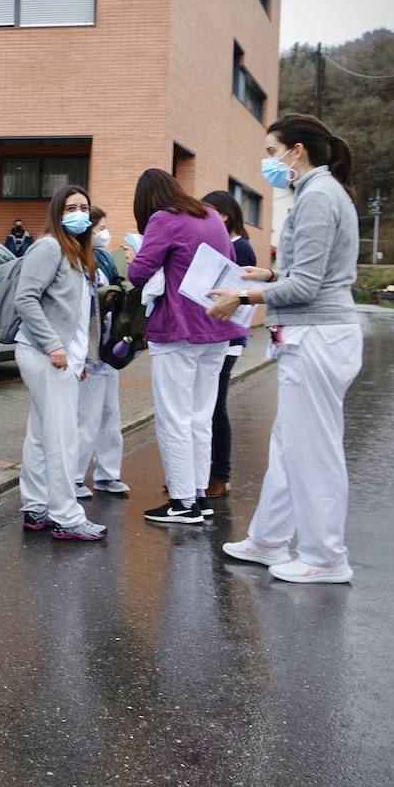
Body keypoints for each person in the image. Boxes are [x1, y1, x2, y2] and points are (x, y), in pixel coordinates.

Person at [209, 113, 362, 584]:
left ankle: (326, 557)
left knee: (312, 450)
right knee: (289, 445)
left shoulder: (317, 196)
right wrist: (269, 275)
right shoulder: (319, 193)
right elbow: (308, 275)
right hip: (313, 333)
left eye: (273, 152)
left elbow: (311, 285)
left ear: (297, 150)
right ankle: (269, 539)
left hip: (317, 333)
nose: (268, 162)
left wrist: (246, 296)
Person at [127, 170, 248, 526]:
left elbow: (138, 274)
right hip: (218, 326)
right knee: (199, 417)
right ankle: (197, 494)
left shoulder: (164, 219)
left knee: (174, 418)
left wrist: (139, 255)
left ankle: (181, 502)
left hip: (178, 328)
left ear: (146, 199)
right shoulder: (209, 214)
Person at [14, 185, 106, 541]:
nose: (79, 213)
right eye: (71, 207)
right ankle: (67, 517)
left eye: (84, 207)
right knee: (62, 438)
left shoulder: (78, 255)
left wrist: (81, 356)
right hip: (45, 355)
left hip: (63, 357)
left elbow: (79, 316)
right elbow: (26, 298)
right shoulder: (49, 246)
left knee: (40, 434)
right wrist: (54, 346)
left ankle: (36, 507)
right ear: (57, 212)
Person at [200, 190, 257, 501]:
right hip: (217, 336)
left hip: (229, 337)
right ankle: (205, 474)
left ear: (222, 215)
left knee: (215, 408)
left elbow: (240, 296)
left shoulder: (241, 248)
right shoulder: (226, 245)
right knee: (209, 407)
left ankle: (220, 475)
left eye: (206, 212)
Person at [73, 206, 130, 500]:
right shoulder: (78, 259)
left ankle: (108, 475)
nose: (104, 233)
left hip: (109, 347)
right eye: (99, 228)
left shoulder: (106, 257)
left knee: (110, 415)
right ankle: (74, 476)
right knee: (88, 417)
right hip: (90, 350)